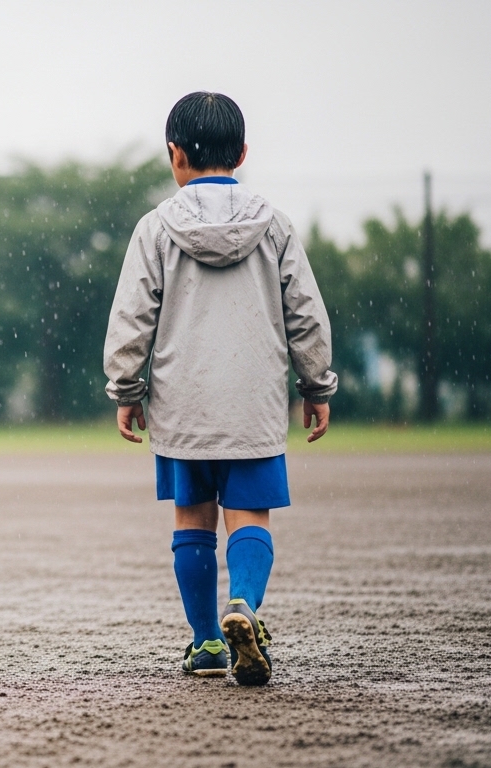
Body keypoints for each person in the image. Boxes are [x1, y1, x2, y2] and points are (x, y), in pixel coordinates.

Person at [102, 92, 336, 686]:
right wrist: (316, 383)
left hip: (184, 404)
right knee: (249, 515)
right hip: (253, 404)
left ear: (175, 155)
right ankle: (246, 606)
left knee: (192, 520)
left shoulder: (155, 229)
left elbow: (133, 317)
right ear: (243, 153)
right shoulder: (276, 226)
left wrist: (126, 389)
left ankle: (206, 641)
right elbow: (305, 312)